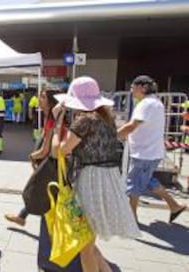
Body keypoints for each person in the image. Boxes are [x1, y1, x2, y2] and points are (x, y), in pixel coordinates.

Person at [52, 76, 140, 272]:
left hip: (90, 181)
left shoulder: (85, 121)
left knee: (86, 248)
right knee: (88, 241)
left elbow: (59, 150)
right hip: (107, 181)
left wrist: (57, 122)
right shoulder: (107, 119)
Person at [118, 75, 187, 223]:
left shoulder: (146, 104)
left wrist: (114, 135)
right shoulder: (154, 103)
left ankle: (131, 218)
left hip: (144, 153)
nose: (131, 90)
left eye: (133, 87)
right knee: (147, 180)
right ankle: (174, 205)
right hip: (150, 152)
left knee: (133, 183)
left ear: (142, 87)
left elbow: (132, 125)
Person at [5, 88, 60, 226]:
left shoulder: (53, 120)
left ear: (50, 101)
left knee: (35, 190)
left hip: (50, 163)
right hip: (47, 162)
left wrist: (32, 156)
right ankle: (23, 217)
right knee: (40, 191)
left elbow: (45, 149)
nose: (38, 99)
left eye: (42, 97)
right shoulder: (49, 117)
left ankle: (24, 217)